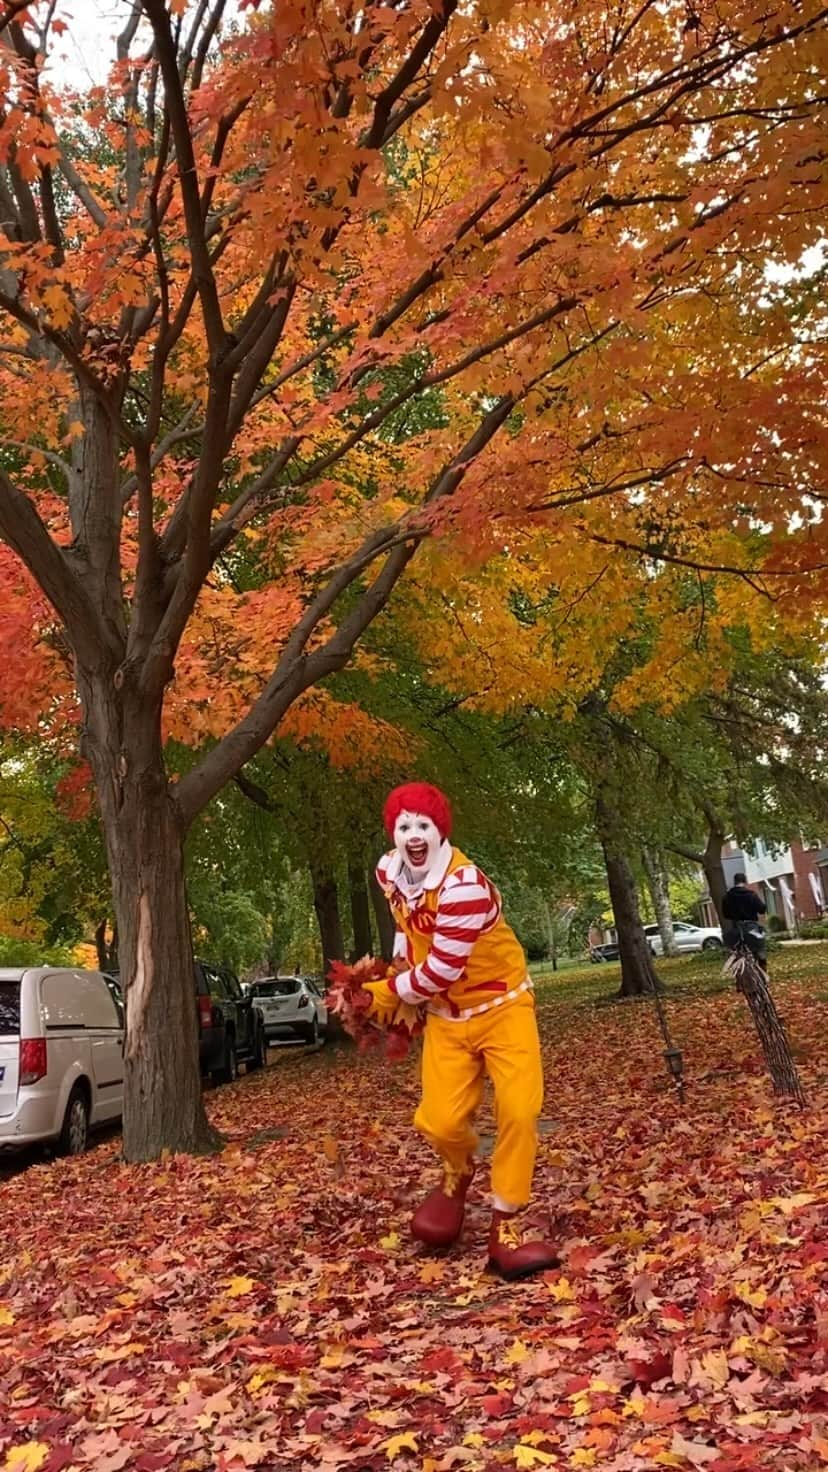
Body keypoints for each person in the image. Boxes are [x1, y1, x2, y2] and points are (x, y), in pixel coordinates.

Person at [363, 781, 559, 1281]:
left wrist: (382, 993)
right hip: (447, 1020)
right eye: (404, 826)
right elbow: (407, 930)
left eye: (423, 825)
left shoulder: (463, 884)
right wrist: (400, 957)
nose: (413, 835)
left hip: (502, 1007)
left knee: (519, 1110)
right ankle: (458, 1173)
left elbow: (441, 972)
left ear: (440, 831)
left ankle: (507, 1224)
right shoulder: (389, 872)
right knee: (438, 1121)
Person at [722, 872, 768, 969]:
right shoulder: (751, 895)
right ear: (745, 881)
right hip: (751, 928)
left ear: (734, 882)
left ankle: (737, 969)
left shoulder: (727, 897)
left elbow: (726, 914)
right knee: (760, 949)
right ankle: (763, 973)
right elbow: (762, 909)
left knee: (734, 950)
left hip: (736, 929)